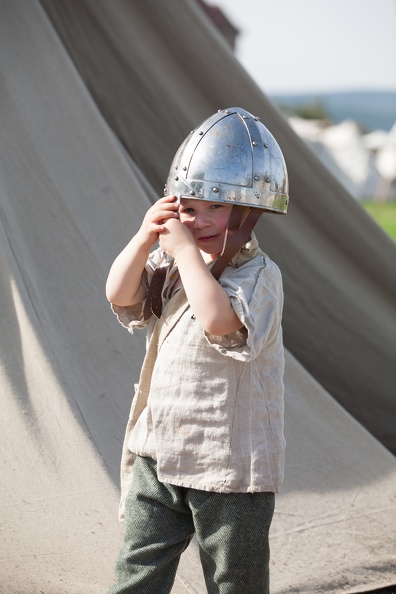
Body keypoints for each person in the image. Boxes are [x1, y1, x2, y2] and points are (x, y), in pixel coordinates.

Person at [105, 107, 289, 594]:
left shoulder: (259, 275)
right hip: (158, 448)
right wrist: (146, 238)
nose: (198, 220)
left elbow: (220, 323)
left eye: (216, 207)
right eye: (188, 207)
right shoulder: (170, 260)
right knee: (137, 568)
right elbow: (120, 295)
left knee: (235, 581)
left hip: (229, 464)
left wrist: (187, 253)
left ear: (248, 211)